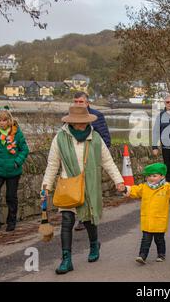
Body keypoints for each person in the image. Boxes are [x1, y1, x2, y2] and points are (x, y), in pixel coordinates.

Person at [42, 106, 125, 275]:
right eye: (77, 122)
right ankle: (66, 259)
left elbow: (107, 162)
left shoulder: (95, 138)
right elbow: (52, 164)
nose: (80, 125)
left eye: (83, 122)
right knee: (67, 221)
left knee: (88, 220)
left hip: (89, 186)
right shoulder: (60, 138)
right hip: (68, 186)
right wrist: (46, 186)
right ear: (70, 122)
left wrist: (119, 181)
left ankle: (94, 244)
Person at [0, 108, 29, 232]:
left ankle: (11, 221)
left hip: (13, 171)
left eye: (4, 120)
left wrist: (17, 162)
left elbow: (25, 150)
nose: (2, 123)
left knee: (11, 196)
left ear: (9, 120)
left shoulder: (17, 134)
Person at [124, 163, 170, 264]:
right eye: (149, 176)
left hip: (159, 219)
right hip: (148, 219)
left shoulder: (166, 187)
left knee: (159, 239)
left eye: (154, 176)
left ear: (162, 176)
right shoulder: (144, 187)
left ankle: (161, 254)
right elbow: (135, 190)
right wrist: (125, 189)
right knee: (146, 239)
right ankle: (142, 256)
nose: (151, 178)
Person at [73, 91, 113, 231]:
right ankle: (82, 217)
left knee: (90, 188)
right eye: (76, 102)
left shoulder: (97, 116)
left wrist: (100, 157)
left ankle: (90, 215)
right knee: (79, 188)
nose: (78, 104)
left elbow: (105, 138)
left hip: (92, 158)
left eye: (81, 102)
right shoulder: (70, 118)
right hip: (76, 159)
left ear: (87, 103)